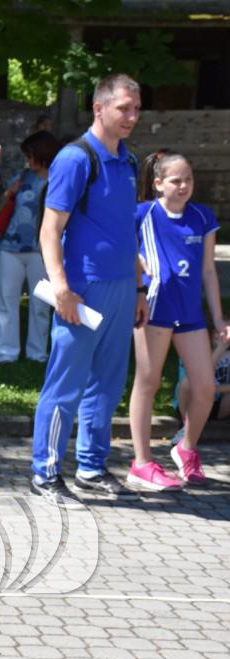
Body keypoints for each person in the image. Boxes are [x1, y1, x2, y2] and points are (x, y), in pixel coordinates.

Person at [30, 73, 149, 506]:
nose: (132, 117)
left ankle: (92, 468)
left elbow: (126, 231)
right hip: (81, 289)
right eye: (124, 108)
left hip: (120, 287)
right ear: (99, 108)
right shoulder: (76, 159)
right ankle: (45, 475)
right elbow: (50, 229)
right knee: (66, 385)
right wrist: (61, 287)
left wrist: (139, 288)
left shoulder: (130, 161)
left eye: (137, 109)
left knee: (108, 384)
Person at [126, 151, 227, 491]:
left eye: (189, 180)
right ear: (158, 184)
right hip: (153, 310)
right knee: (148, 381)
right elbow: (123, 250)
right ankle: (141, 462)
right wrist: (138, 265)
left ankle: (186, 448)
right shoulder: (143, 214)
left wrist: (217, 318)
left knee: (205, 387)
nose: (184, 186)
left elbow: (209, 271)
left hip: (191, 315)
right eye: (175, 180)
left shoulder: (202, 216)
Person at [0, 130, 61, 364]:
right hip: (10, 247)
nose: (28, 160)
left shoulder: (58, 180)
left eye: (31, 155)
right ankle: (6, 351)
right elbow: (2, 206)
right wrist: (8, 195)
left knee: (42, 304)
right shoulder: (21, 176)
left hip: (42, 251)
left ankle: (37, 352)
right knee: (7, 299)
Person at [172, 331, 230, 445]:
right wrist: (218, 352)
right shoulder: (193, 353)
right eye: (221, 331)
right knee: (188, 383)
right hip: (189, 405)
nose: (224, 337)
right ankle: (186, 427)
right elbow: (193, 382)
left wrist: (215, 389)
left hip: (216, 404)